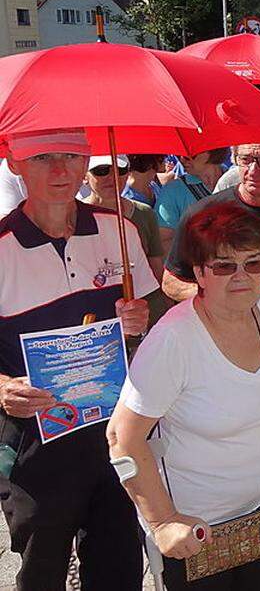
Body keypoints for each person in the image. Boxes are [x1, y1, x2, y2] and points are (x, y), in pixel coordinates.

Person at [108, 202, 260, 590]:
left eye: (254, 263)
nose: (242, 277)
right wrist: (162, 522)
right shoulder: (173, 339)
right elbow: (122, 438)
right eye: (225, 266)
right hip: (197, 525)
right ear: (199, 273)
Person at [0, 130, 154, 589]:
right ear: (15, 164)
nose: (61, 170)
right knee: (42, 569)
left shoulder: (119, 230)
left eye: (71, 156)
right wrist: (3, 388)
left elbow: (142, 325)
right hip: (35, 438)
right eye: (43, 157)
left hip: (115, 429)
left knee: (119, 564)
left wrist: (136, 318)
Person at [162, 143, 260, 306]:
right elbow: (171, 282)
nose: (253, 170)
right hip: (219, 326)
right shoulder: (203, 214)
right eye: (245, 160)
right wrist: (221, 297)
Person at [82, 154, 166, 283]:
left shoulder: (144, 213)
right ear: (84, 176)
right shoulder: (72, 218)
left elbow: (156, 267)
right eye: (101, 170)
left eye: (120, 170)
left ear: (128, 174)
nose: (112, 177)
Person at [155, 148, 228, 232]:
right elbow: (164, 238)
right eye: (178, 154)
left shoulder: (237, 180)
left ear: (212, 150)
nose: (182, 159)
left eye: (190, 153)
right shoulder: (172, 190)